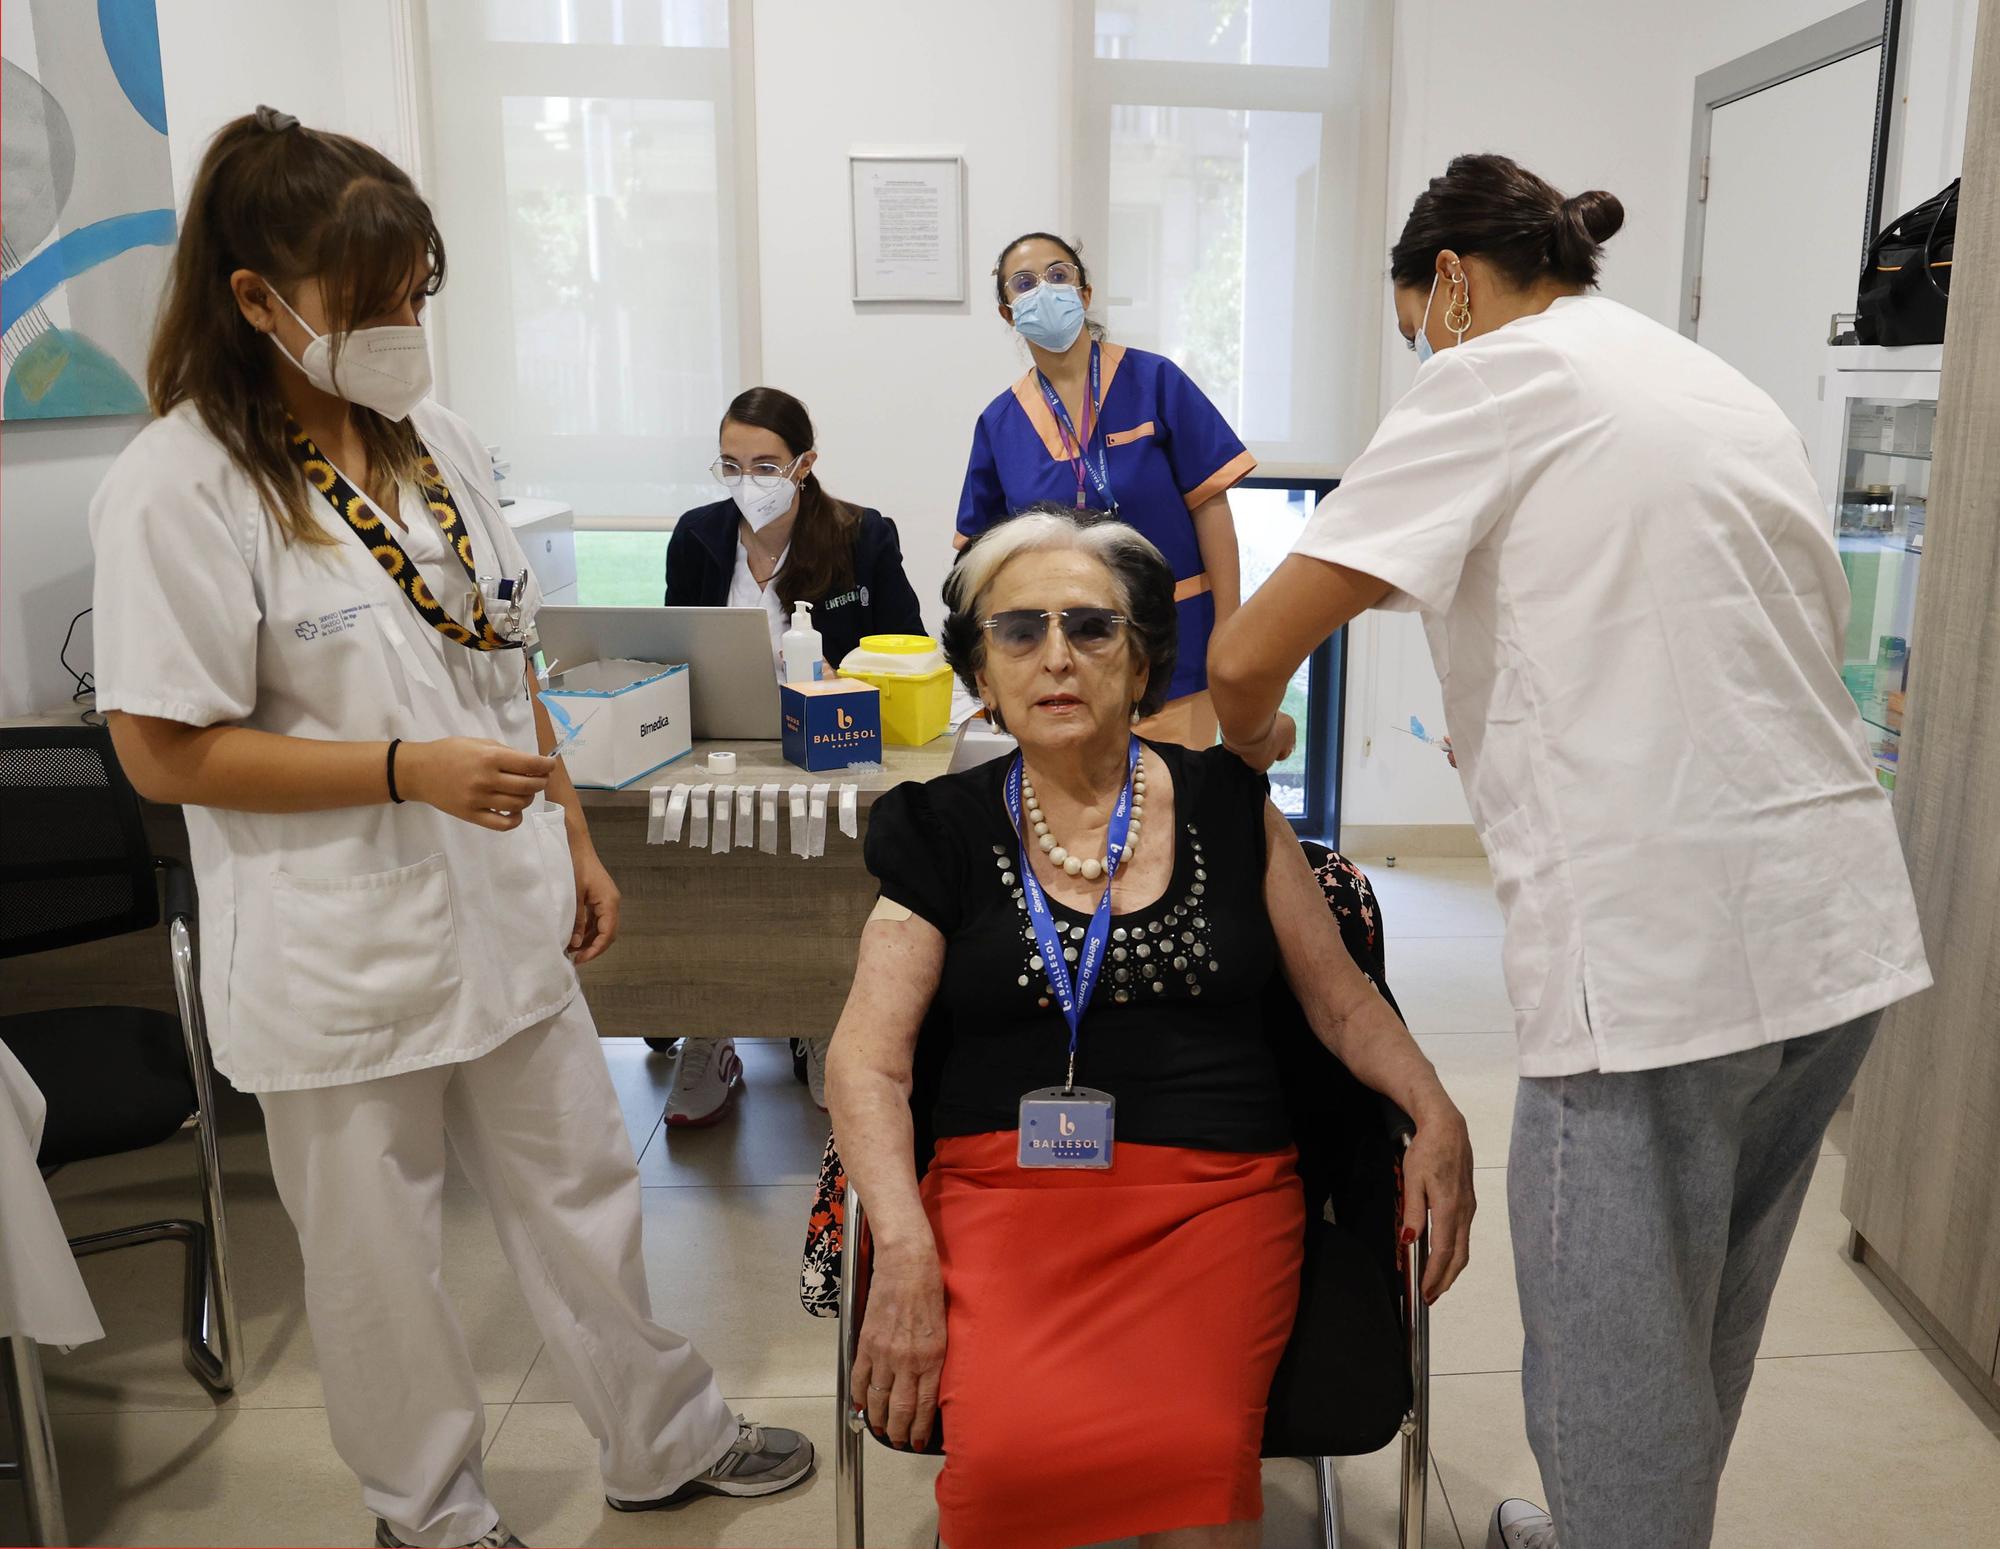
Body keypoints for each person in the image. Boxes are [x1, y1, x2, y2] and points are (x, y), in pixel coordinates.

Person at [88, 110, 812, 1549]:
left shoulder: (443, 445)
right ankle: (429, 1513)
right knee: (378, 1261)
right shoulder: (181, 484)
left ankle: (658, 1435)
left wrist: (578, 841)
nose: (408, 322)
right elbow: (160, 750)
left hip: (506, 906)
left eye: (420, 289)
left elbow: (503, 654)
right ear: (256, 298)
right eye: (375, 301)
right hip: (335, 949)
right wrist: (403, 769)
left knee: (584, 1190)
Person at [1207, 154, 1933, 1549]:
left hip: (1660, 960)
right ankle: (1615, 1520)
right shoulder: (1708, 382)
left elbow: (1251, 654)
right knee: (1696, 1323)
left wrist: (1245, 747)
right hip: (1832, 928)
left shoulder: (1491, 376)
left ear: (1455, 286)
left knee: (1609, 1363)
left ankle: (1612, 1519)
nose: (1424, 351)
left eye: (1416, 323)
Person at [825, 505, 1474, 1549]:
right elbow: (865, 1057)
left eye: (1091, 628)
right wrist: (900, 1244)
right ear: (982, 677)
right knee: (1005, 1475)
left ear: (1139, 668)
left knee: (1192, 1471)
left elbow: (1341, 1000)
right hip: (1001, 1202)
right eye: (1019, 630)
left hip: (1212, 1200)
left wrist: (1434, 1110)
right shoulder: (938, 831)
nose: (1056, 656)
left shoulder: (1228, 803)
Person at [661, 385, 925, 1122]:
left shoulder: (862, 534)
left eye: (767, 464)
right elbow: (676, 651)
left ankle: (817, 1020)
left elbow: (906, 645)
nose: (749, 481)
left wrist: (857, 672)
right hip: (724, 747)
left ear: (805, 463)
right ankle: (708, 1028)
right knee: (693, 868)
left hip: (835, 751)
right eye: (731, 464)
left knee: (820, 877)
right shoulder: (698, 535)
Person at [955, 232, 1254, 747]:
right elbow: (980, 568)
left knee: (1172, 807)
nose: (1044, 290)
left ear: (1084, 293)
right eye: (1024, 283)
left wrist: (1229, 630)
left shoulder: (1155, 382)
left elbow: (1211, 508)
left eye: (1058, 275)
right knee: (1076, 816)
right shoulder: (1000, 424)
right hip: (1064, 666)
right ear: (1008, 313)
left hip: (1177, 649)